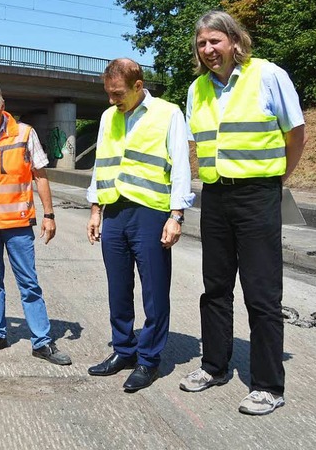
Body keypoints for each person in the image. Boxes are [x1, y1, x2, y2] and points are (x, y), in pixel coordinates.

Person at [179, 10, 307, 415]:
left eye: (214, 41)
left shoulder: (268, 75)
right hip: (215, 195)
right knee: (214, 287)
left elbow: (296, 131)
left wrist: (278, 178)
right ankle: (214, 366)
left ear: (235, 40)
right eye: (201, 43)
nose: (208, 49)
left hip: (258, 194)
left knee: (261, 292)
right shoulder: (196, 89)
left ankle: (268, 385)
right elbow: (194, 144)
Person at [86, 58, 194, 391]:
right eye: (108, 93)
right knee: (118, 288)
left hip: (150, 212)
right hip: (115, 212)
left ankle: (148, 360)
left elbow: (181, 167)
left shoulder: (168, 113)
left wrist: (176, 215)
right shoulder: (108, 117)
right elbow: (101, 161)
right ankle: (123, 350)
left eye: (117, 93)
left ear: (138, 86)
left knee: (154, 290)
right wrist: (94, 208)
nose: (111, 100)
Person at [0, 83, 71, 366]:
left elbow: (40, 175)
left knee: (29, 283)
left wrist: (49, 215)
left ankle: (41, 341)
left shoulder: (24, 134)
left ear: (2, 108)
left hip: (18, 224)